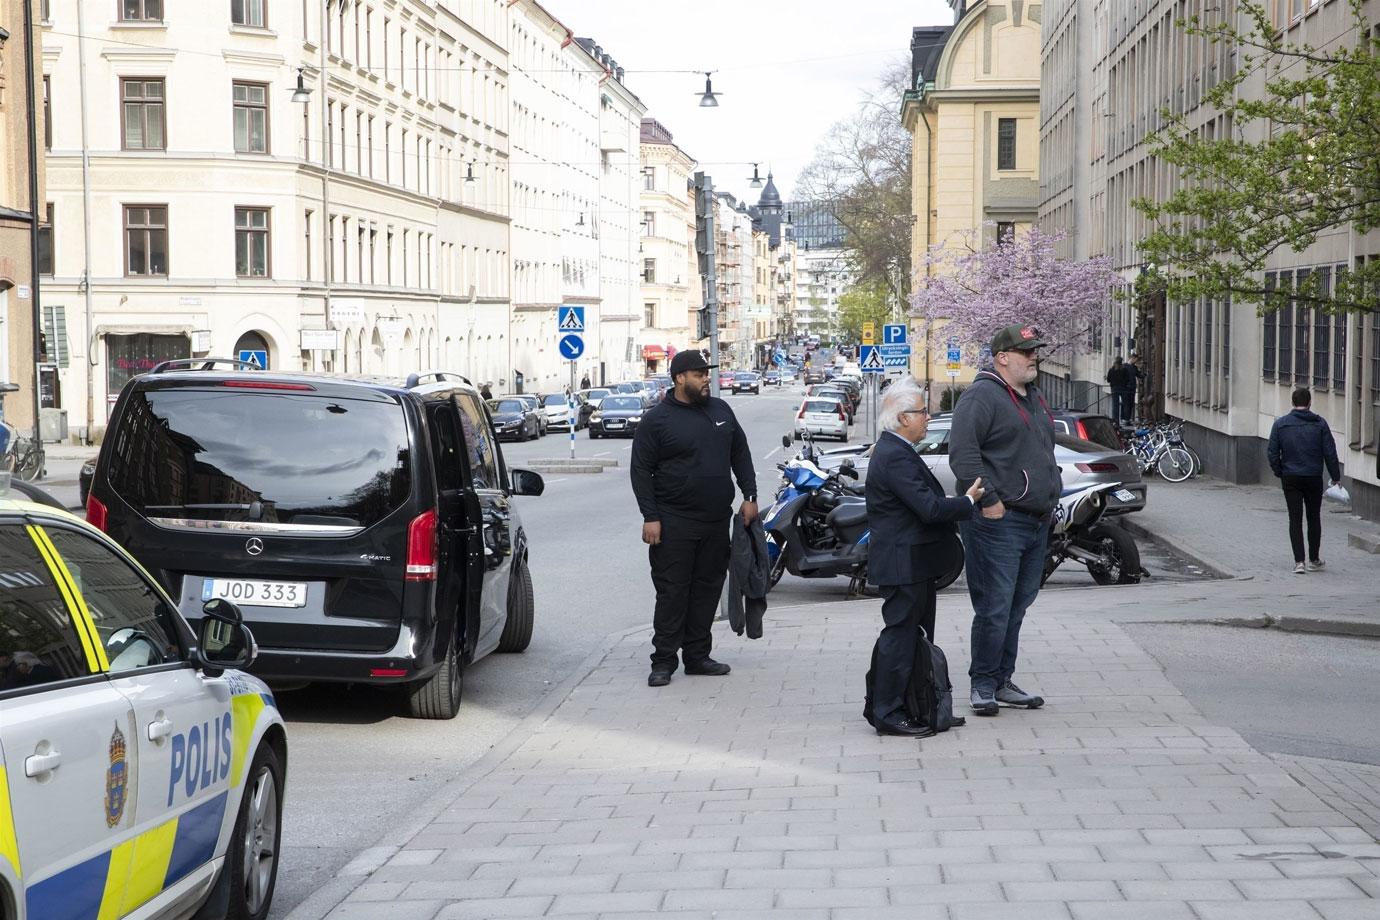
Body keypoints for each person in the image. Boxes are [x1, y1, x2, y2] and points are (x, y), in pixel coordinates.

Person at [949, 323, 1062, 716]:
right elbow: (963, 457)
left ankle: (1001, 680)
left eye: (1036, 351)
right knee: (995, 606)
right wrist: (990, 501)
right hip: (999, 520)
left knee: (1017, 605)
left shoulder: (1032, 395)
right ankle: (983, 684)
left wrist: (1051, 494)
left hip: (1034, 520)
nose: (1035, 357)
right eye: (1027, 352)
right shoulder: (981, 397)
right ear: (1002, 357)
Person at [631, 350, 757, 687]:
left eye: (706, 373)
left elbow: (740, 453)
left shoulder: (720, 410)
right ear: (679, 378)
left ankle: (698, 656)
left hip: (715, 522)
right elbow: (641, 471)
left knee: (707, 589)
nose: (706, 379)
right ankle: (663, 661)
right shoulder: (657, 420)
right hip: (674, 523)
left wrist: (750, 495)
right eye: (699, 374)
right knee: (673, 592)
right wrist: (650, 516)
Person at [866, 377, 984, 736]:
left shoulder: (898, 450)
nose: (928, 417)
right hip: (904, 564)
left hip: (916, 563)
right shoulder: (893, 455)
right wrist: (968, 502)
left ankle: (921, 705)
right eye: (921, 412)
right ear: (903, 418)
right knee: (900, 637)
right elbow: (929, 508)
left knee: (916, 637)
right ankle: (887, 713)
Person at [1268, 387, 1342, 574]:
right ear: (1309, 403)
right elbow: (1330, 452)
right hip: (1313, 476)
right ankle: (1314, 559)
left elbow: (1272, 452)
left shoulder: (1280, 424)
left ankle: (1299, 562)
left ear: (1293, 403)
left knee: (1295, 518)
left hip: (1290, 477)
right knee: (1313, 517)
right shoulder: (1320, 424)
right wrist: (1335, 477)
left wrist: (1280, 472)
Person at [1105, 356, 1133, 424]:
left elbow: (1108, 380)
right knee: (1125, 404)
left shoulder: (1111, 370)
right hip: (1123, 388)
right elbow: (1128, 379)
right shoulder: (1124, 370)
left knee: (1115, 405)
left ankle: (1116, 420)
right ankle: (1126, 419)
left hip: (1114, 389)